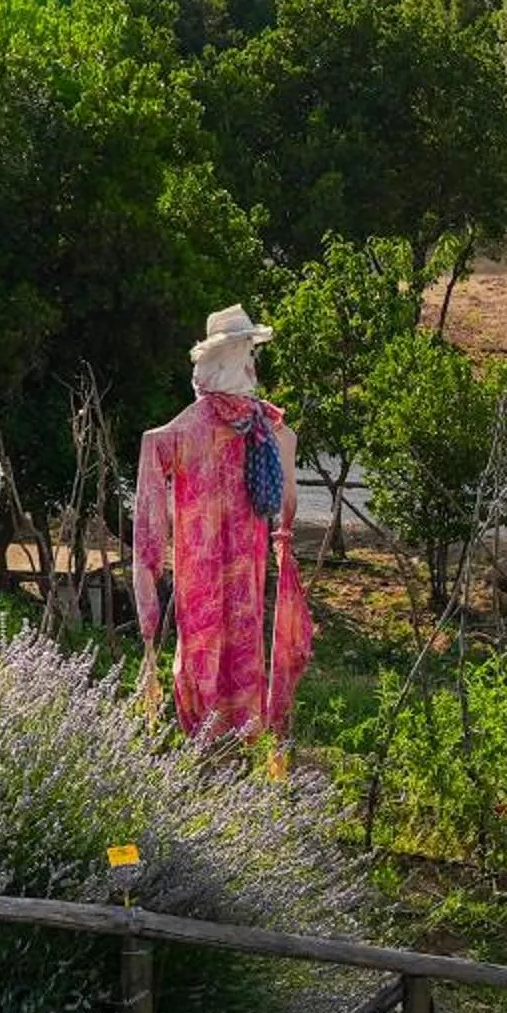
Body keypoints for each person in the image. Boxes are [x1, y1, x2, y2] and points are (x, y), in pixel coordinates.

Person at [132, 305, 313, 739]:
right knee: (206, 646)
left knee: (236, 643)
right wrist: (148, 584)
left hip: (241, 569)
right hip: (205, 570)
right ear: (228, 357)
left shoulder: (257, 426)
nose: (252, 366)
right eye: (246, 354)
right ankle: (212, 744)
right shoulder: (204, 428)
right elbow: (153, 449)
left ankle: (234, 745)